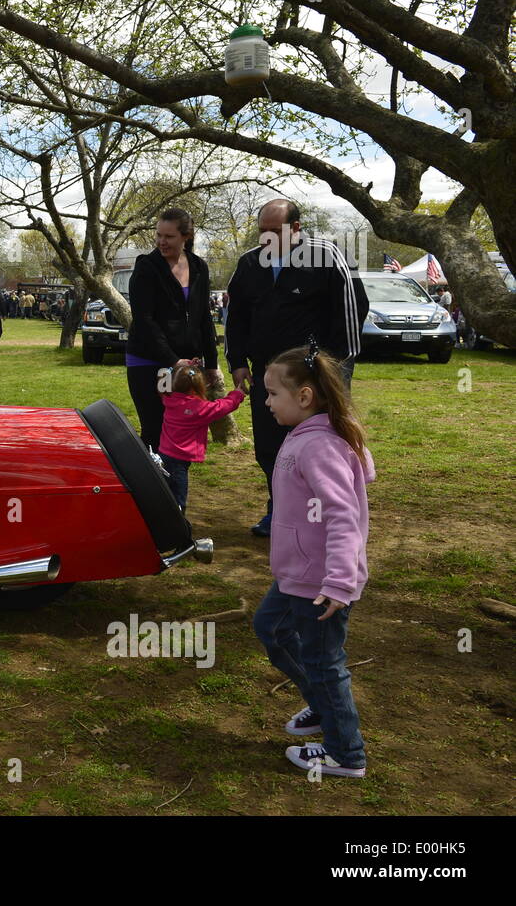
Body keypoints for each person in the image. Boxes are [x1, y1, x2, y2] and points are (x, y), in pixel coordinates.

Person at [253, 341, 374, 779]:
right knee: (270, 628)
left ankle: (346, 753)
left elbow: (344, 516)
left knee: (326, 663)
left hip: (322, 584)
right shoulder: (306, 435)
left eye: (272, 394)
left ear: (304, 397)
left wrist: (340, 583)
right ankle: (323, 708)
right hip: (298, 574)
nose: (265, 402)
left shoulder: (319, 445)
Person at [225, 198, 367, 537]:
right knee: (270, 448)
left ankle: (323, 514)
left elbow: (352, 307)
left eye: (275, 231)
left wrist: (334, 368)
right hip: (266, 373)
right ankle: (280, 511)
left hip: (314, 375)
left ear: (297, 228)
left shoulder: (326, 256)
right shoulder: (249, 264)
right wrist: (237, 362)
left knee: (318, 447)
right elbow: (236, 316)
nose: (266, 238)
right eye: (262, 231)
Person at [125, 208, 219, 453]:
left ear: (186, 237)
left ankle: (175, 487)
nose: (161, 242)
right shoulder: (146, 268)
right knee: (155, 429)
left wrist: (211, 363)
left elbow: (203, 318)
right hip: (149, 361)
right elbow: (145, 320)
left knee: (183, 428)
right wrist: (172, 361)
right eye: (158, 235)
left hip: (187, 363)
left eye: (169, 237)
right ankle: (153, 487)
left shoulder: (199, 267)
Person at [158, 363, 245, 510]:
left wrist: (181, 369)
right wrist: (237, 394)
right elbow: (221, 407)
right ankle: (178, 527)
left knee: (167, 493)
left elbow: (163, 381)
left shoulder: (168, 398)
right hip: (179, 460)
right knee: (178, 498)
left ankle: (165, 519)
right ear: (195, 388)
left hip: (164, 454)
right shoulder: (197, 408)